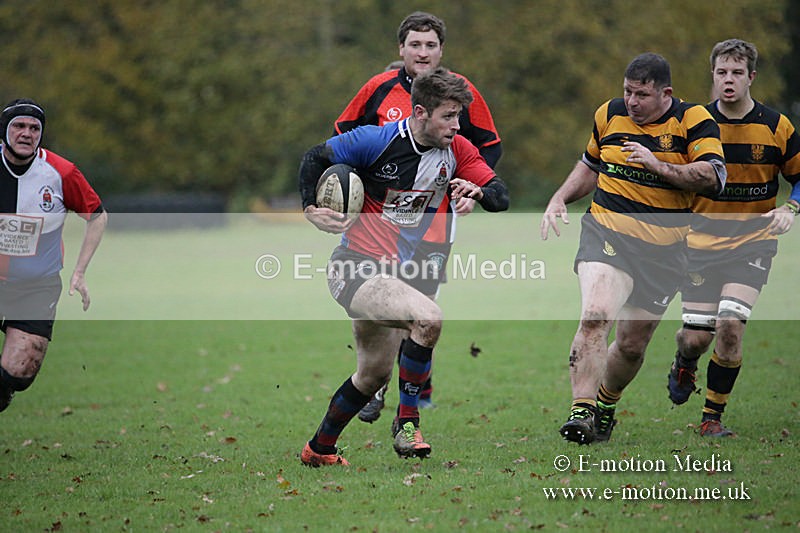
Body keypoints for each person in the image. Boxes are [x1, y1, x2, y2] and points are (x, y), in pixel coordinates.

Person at [298, 67, 509, 466]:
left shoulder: (458, 150)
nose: (457, 125)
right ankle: (407, 425)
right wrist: (311, 208)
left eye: (459, 116)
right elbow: (314, 157)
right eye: (449, 116)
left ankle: (319, 449)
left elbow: (501, 195)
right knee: (428, 318)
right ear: (420, 112)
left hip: (396, 277)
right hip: (354, 267)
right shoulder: (375, 141)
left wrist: (479, 192)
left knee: (372, 375)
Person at [540, 53, 726, 444]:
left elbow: (712, 176)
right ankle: (582, 411)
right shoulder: (609, 114)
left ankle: (605, 406)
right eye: (627, 91)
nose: (632, 102)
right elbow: (590, 165)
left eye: (641, 95)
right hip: (607, 234)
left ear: (665, 93)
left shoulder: (693, 120)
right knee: (595, 316)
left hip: (664, 253)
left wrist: (656, 165)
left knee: (630, 346)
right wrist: (560, 197)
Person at [335, 11, 503, 422]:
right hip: (378, 223)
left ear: (442, 50)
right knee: (387, 302)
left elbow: (488, 147)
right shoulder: (378, 87)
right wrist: (349, 193)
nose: (423, 52)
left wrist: (473, 189)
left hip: (435, 222)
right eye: (415, 44)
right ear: (402, 48)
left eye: (431, 45)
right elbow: (342, 140)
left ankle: (412, 398)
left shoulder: (461, 92)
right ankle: (376, 383)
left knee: (420, 308)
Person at [667, 39, 800, 437]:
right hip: (698, 247)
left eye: (737, 73)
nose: (729, 79)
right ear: (713, 75)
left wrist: (790, 208)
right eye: (722, 72)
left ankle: (711, 418)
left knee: (729, 324)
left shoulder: (776, 127)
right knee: (695, 339)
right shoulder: (694, 124)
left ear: (751, 77)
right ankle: (684, 361)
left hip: (752, 245)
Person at [0, 98, 107, 412]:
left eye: (35, 128)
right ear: (4, 130)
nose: (27, 133)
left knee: (19, 373)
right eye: (19, 126)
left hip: (35, 285)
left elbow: (97, 216)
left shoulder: (61, 172)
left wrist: (80, 271)